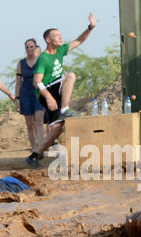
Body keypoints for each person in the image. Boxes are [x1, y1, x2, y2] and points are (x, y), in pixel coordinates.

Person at [26, 13, 98, 168]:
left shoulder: (60, 51)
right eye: (56, 36)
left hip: (56, 91)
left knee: (57, 128)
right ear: (48, 40)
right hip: (46, 92)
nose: (60, 38)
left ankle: (35, 154)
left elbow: (79, 40)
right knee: (70, 75)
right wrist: (48, 97)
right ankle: (65, 108)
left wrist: (90, 27)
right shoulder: (43, 58)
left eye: (60, 35)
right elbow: (36, 82)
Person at [13, 37, 45, 156]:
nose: (29, 49)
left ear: (35, 48)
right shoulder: (21, 63)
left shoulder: (41, 60)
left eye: (31, 46)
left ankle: (41, 147)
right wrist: (17, 98)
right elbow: (18, 82)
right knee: (29, 124)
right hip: (25, 94)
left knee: (39, 121)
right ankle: (33, 148)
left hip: (38, 93)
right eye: (27, 47)